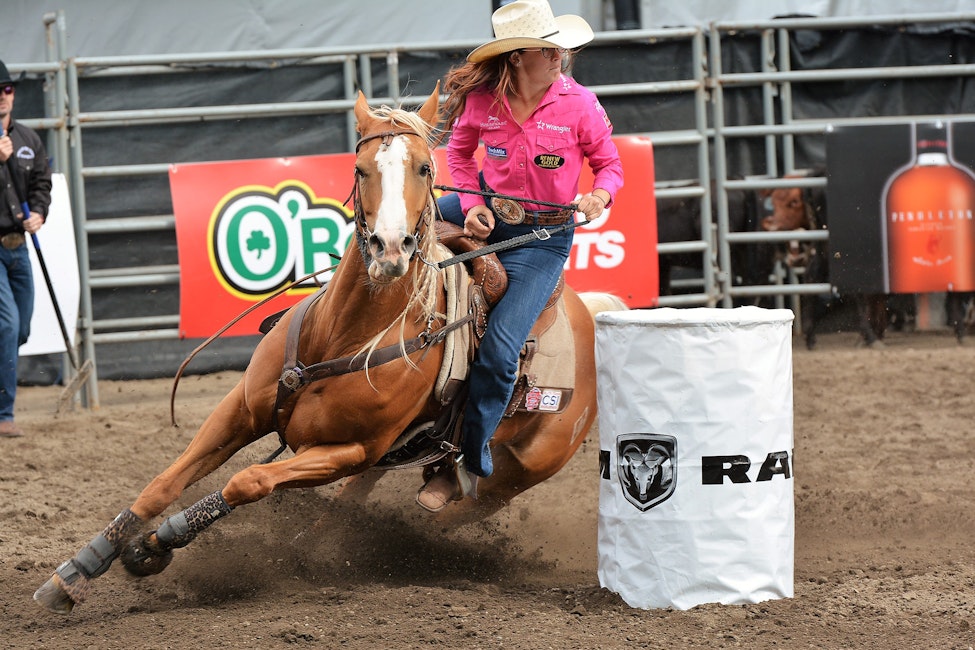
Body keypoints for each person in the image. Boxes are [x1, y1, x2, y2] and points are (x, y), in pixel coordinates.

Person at [417, 0, 624, 511]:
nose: (559, 56)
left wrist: (599, 196)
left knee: (501, 348)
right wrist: (470, 205)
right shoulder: (482, 102)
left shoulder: (580, 104)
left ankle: (468, 460)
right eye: (547, 50)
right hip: (484, 207)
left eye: (559, 49)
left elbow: (610, 166)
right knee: (398, 224)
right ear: (517, 57)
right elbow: (458, 155)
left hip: (541, 237)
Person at [0, 59, 52, 438]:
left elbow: (41, 184)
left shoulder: (28, 140)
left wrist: (39, 212)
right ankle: (5, 415)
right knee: (7, 325)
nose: (2, 96)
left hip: (19, 247)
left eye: (6, 89)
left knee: (21, 329)